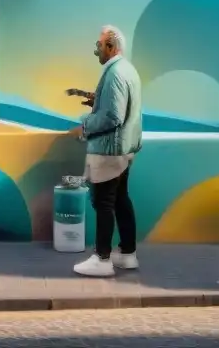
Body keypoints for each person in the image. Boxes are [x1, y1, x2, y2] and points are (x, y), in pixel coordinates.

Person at [70, 25, 143, 278]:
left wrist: (85, 123)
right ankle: (127, 254)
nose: (96, 50)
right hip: (125, 149)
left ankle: (102, 258)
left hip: (109, 150)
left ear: (111, 47)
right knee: (120, 200)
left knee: (103, 203)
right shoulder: (128, 70)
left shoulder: (114, 73)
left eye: (99, 45)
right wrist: (97, 101)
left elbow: (113, 116)